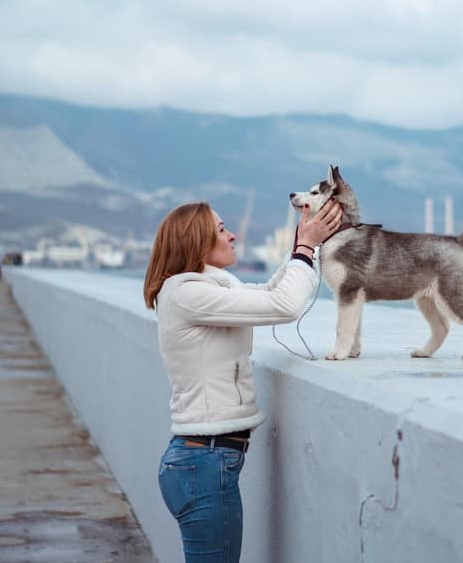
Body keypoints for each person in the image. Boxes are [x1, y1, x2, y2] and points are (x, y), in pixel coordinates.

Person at [143, 199, 342, 563]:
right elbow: (284, 306)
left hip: (205, 461)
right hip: (203, 463)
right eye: (221, 229)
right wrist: (303, 249)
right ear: (196, 241)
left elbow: (268, 293)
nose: (232, 235)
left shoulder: (200, 291)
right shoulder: (187, 293)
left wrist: (301, 245)